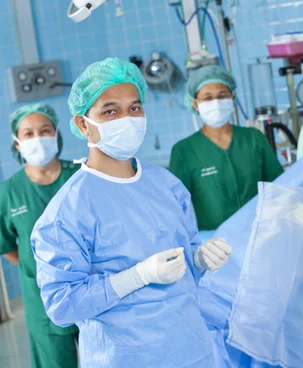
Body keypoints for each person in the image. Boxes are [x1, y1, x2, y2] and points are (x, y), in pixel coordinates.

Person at [30, 58, 232, 367]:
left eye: (135, 108)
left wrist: (198, 259)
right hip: (125, 357)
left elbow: (183, 261)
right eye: (110, 111)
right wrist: (136, 277)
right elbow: (62, 306)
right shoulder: (66, 212)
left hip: (191, 349)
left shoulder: (167, 185)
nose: (127, 118)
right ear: (83, 124)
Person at [0, 104, 78, 368]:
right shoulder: (9, 192)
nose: (38, 138)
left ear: (56, 134)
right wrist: (35, 267)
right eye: (28, 133)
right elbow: (5, 244)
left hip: (90, 286)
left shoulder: (80, 175)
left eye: (45, 130)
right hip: (41, 296)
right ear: (17, 144)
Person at [170, 65, 283, 231]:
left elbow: (278, 188)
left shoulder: (253, 138)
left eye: (222, 95)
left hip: (261, 233)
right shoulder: (184, 151)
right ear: (195, 103)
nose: (215, 102)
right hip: (214, 244)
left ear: (233, 97)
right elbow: (175, 206)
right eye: (207, 97)